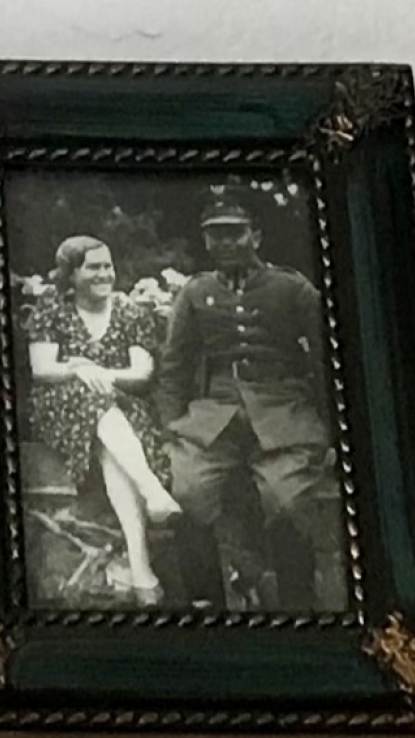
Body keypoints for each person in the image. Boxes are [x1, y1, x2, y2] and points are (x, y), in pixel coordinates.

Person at [156, 183, 345, 610]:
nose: (224, 243)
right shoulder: (194, 293)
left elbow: (327, 359)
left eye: (234, 233)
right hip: (213, 417)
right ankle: (207, 606)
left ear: (256, 236)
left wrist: (332, 429)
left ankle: (297, 604)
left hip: (283, 411)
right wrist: (171, 427)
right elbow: (175, 366)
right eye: (215, 235)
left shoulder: (291, 289)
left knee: (287, 498)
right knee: (187, 492)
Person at [24, 235, 181, 606]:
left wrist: (98, 372)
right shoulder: (53, 308)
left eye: (107, 266)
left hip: (121, 406)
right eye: (93, 267)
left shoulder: (129, 312)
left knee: (111, 442)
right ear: (71, 274)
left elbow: (141, 372)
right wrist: (76, 370)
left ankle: (140, 570)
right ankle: (152, 492)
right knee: (95, 403)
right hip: (60, 406)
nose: (104, 274)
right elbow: (42, 369)